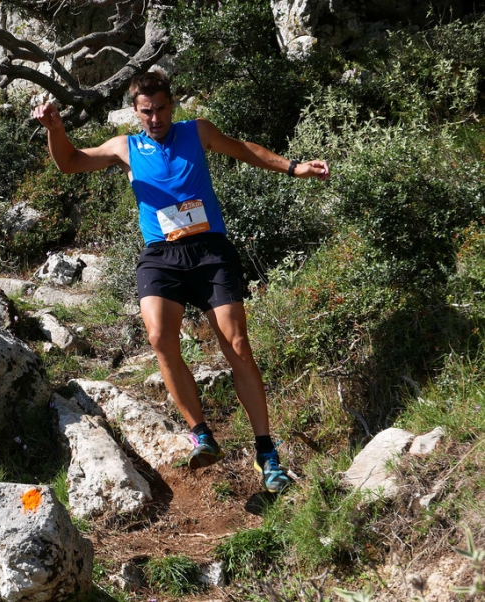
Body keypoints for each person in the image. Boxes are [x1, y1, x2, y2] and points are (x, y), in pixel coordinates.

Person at [32, 71, 329, 494]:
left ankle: (267, 453)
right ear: (135, 112)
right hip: (161, 256)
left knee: (237, 345)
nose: (155, 119)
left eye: (161, 109)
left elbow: (243, 149)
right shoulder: (125, 147)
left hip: (210, 251)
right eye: (146, 112)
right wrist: (55, 129)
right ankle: (202, 434)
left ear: (172, 105)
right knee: (159, 338)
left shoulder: (197, 131)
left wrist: (294, 167)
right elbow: (71, 163)